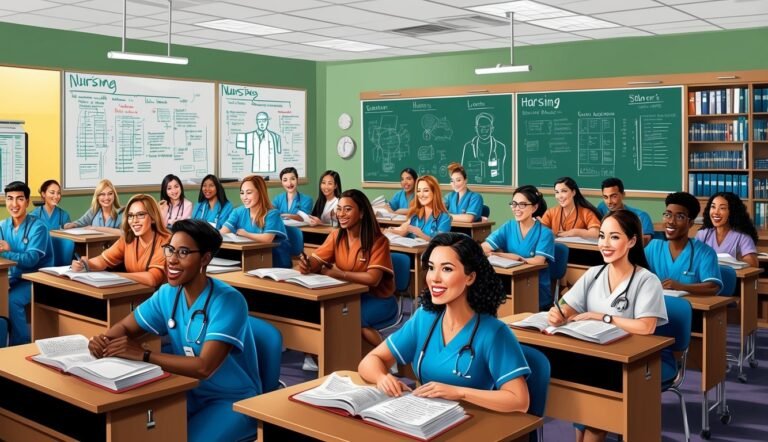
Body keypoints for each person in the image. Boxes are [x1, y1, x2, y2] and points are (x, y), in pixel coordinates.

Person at [87, 220, 260, 442]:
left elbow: (204, 367)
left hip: (231, 400)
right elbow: (124, 328)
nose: (172, 259)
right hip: (184, 390)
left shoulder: (229, 301)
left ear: (205, 259)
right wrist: (102, 340)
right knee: (137, 431)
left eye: (183, 252)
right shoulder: (168, 293)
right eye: (170, 250)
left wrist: (144, 355)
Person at [359, 232, 530, 413]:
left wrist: (459, 392)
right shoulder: (424, 318)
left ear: (470, 277)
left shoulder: (494, 332)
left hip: (473, 422)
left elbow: (519, 401)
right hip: (424, 416)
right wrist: (382, 378)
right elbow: (370, 361)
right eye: (431, 268)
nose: (434, 278)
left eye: (447, 269)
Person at [548, 210, 668, 442]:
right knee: (576, 393)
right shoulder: (593, 274)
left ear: (632, 241)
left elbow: (646, 327)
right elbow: (567, 306)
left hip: (629, 361)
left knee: (595, 407)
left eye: (614, 237)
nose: (604, 243)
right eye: (602, 236)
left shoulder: (646, 280)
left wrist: (600, 317)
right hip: (592, 353)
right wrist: (558, 313)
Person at [299, 189, 396, 352]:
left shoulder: (379, 241)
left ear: (362, 213)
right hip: (347, 296)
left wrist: (339, 274)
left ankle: (388, 356)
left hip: (378, 299)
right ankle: (325, 355)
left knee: (351, 318)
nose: (341, 214)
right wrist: (308, 265)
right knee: (320, 314)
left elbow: (373, 279)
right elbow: (317, 260)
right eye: (339, 209)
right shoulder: (336, 236)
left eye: (348, 209)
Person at [71, 194, 170, 288]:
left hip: (161, 300)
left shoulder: (166, 241)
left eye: (140, 215)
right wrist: (85, 264)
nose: (134, 221)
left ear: (153, 218)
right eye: (131, 216)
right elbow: (103, 260)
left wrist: (115, 276)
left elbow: (152, 278)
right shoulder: (128, 239)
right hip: (135, 294)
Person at [481, 185, 555, 310]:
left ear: (534, 207)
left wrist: (499, 255)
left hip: (534, 287)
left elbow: (538, 260)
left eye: (522, 205)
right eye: (514, 204)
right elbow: (484, 247)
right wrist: (509, 256)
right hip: (506, 281)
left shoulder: (545, 232)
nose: (516, 209)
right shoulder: (509, 226)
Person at [0, 181, 54, 345]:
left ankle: (19, 344)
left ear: (28, 201)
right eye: (10, 198)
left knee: (11, 300)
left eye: (19, 199)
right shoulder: (3, 225)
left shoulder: (38, 227)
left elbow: (31, 260)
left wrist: (7, 251)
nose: (14, 204)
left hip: (37, 279)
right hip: (14, 277)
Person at [645, 192, 722, 296]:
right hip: (655, 308)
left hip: (692, 310)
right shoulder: (653, 247)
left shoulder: (705, 252)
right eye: (667, 215)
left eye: (679, 217)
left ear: (690, 223)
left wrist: (681, 287)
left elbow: (713, 286)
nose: (671, 221)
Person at [220, 175, 291, 268]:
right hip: (248, 258)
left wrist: (246, 234)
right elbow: (222, 232)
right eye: (242, 193)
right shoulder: (238, 211)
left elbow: (267, 239)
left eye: (249, 193)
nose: (244, 197)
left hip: (274, 260)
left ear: (260, 192)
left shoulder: (272, 213)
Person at [696, 191, 758, 268]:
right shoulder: (703, 234)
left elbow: (753, 264)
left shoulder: (743, 237)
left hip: (731, 278)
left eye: (722, 208)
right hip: (706, 277)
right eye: (713, 207)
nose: (716, 212)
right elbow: (692, 259)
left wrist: (735, 261)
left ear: (732, 212)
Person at [388, 175, 451, 241]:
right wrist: (390, 230)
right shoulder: (415, 215)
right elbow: (402, 231)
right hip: (411, 250)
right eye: (418, 191)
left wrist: (420, 233)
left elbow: (440, 242)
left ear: (434, 192)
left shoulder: (444, 218)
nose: (421, 195)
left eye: (426, 190)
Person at [597, 177, 654, 245]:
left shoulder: (642, 216)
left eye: (613, 196)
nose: (609, 202)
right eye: (605, 197)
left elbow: (646, 240)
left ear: (623, 195)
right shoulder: (602, 208)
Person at [31, 179, 73, 266]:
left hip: (61, 259)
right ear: (43, 194)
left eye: (58, 193)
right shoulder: (34, 215)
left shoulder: (64, 215)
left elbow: (68, 241)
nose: (56, 196)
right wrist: (60, 228)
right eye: (52, 192)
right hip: (40, 258)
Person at [460, 112, 507, 184]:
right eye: (480, 128)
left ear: (492, 129)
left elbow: (502, 174)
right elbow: (462, 174)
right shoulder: (469, 146)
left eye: (487, 128)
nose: (483, 131)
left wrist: (485, 180)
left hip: (494, 187)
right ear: (476, 129)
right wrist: (473, 179)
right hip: (473, 187)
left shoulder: (500, 147)